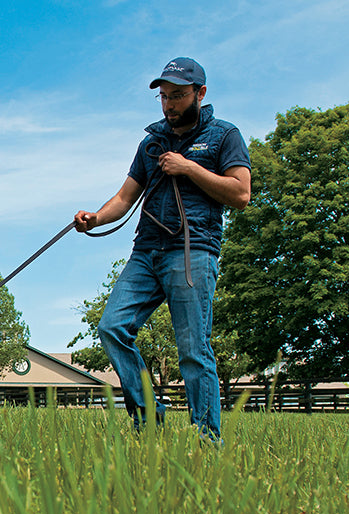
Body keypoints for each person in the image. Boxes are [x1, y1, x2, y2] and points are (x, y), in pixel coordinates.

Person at [74, 57, 251, 439]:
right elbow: (124, 197)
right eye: (164, 97)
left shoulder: (224, 136)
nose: (169, 104)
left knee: (192, 348)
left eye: (177, 96)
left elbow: (240, 193)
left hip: (192, 251)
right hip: (146, 251)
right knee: (112, 328)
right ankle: (148, 416)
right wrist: (95, 218)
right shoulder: (151, 143)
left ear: (199, 94)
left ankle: (208, 438)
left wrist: (189, 168)